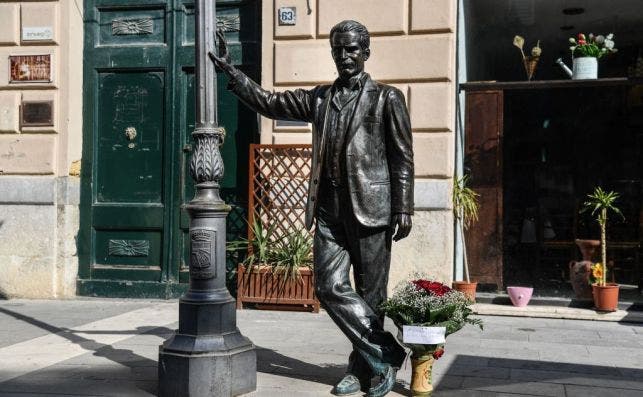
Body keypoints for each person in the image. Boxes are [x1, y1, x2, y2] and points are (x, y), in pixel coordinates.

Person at [209, 20, 414, 397]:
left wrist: (404, 206)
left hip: (372, 207)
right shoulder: (319, 98)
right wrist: (232, 72)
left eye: (352, 49)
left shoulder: (387, 98)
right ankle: (385, 352)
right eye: (338, 49)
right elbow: (269, 102)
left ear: (366, 51)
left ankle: (365, 368)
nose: (345, 56)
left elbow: (402, 157)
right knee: (327, 285)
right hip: (329, 210)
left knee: (372, 295)